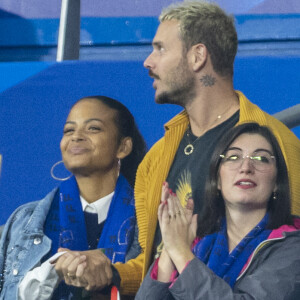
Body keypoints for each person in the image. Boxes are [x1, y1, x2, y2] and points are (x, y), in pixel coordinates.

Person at [43, 1, 300, 296]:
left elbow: (282, 266)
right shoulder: (156, 158)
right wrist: (108, 269)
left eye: (160, 48)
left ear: (197, 56)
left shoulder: (277, 146)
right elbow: (150, 262)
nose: (148, 62)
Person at [0, 96, 146, 299]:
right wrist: (53, 271)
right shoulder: (25, 219)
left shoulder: (148, 218)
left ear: (123, 147)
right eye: (69, 130)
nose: (76, 137)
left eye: (93, 128)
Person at [136, 122, 300, 299]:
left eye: (261, 158)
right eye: (233, 157)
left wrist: (180, 253)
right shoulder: (196, 242)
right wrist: (170, 249)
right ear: (217, 181)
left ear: (277, 183)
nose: (246, 167)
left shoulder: (292, 246)